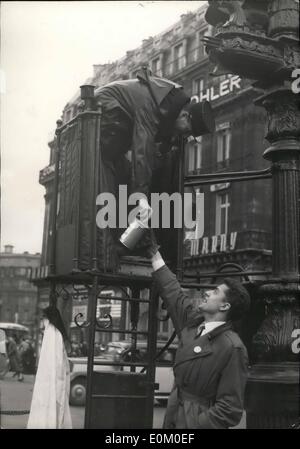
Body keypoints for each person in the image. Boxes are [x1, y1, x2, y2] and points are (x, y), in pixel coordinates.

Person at [96, 67, 215, 251]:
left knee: (138, 170)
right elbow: (142, 150)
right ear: (184, 116)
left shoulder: (168, 108)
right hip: (105, 110)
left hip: (117, 115)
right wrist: (141, 197)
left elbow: (162, 139)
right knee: (127, 167)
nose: (184, 135)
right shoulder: (150, 106)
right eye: (188, 131)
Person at [142, 235, 250, 429]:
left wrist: (194, 424)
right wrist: (153, 252)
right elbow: (172, 291)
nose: (207, 292)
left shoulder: (233, 347)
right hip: (173, 416)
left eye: (215, 292)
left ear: (225, 306)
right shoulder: (192, 323)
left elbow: (230, 409)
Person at [27, 305, 72, 429]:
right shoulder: (55, 332)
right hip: (53, 380)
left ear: (48, 318)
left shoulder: (51, 332)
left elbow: (54, 362)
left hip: (51, 380)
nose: (42, 321)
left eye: (43, 317)